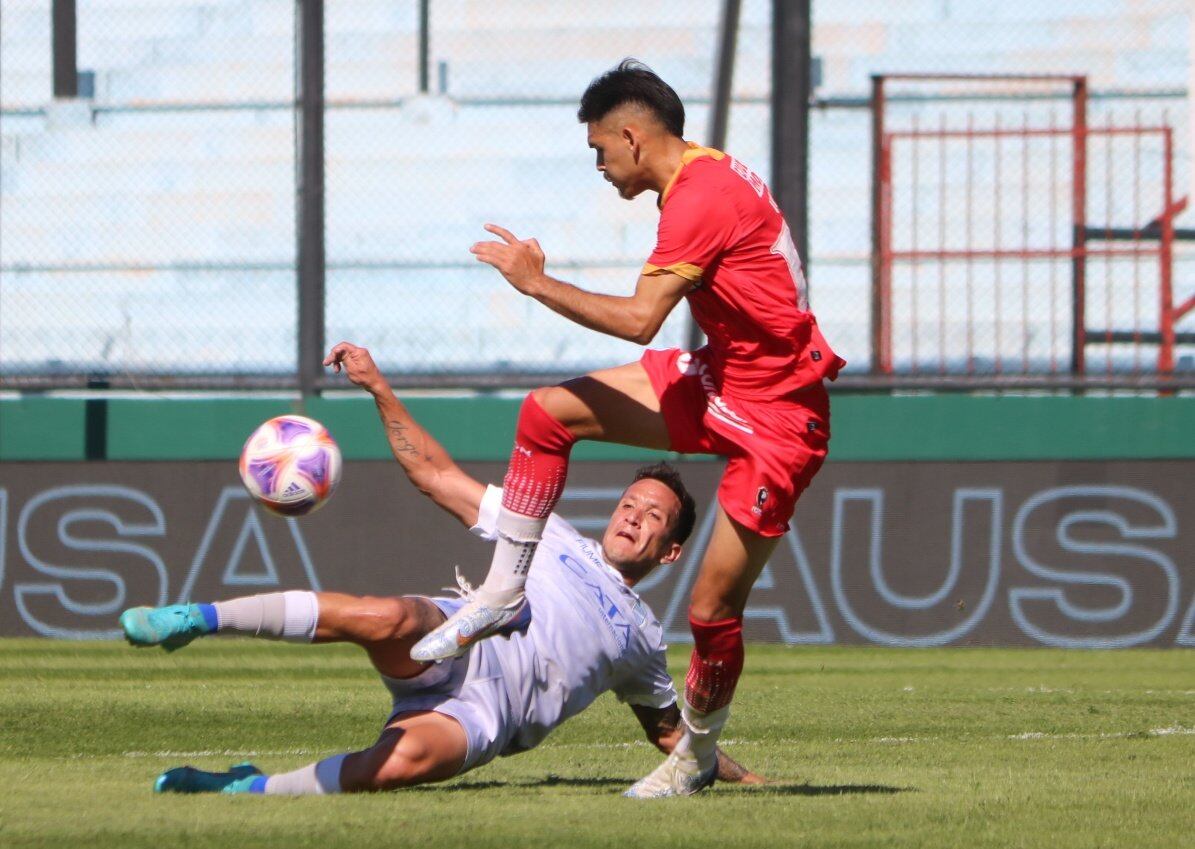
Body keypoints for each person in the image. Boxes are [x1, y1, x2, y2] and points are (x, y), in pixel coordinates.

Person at [411, 58, 845, 797]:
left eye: (599, 151)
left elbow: (640, 320)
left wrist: (535, 283)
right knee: (546, 411)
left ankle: (695, 754)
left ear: (631, 134)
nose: (600, 167)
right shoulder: (699, 175)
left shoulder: (698, 198)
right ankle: (503, 591)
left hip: (779, 416)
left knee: (711, 610)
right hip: (723, 377)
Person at [118, 341, 762, 797]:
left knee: (396, 767)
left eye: (653, 516)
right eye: (629, 503)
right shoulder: (549, 531)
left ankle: (243, 786)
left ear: (671, 550)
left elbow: (675, 736)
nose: (633, 516)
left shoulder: (644, 640)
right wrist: (378, 388)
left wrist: (742, 777)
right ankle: (196, 617)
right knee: (388, 616)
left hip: (487, 717)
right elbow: (435, 476)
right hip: (457, 647)